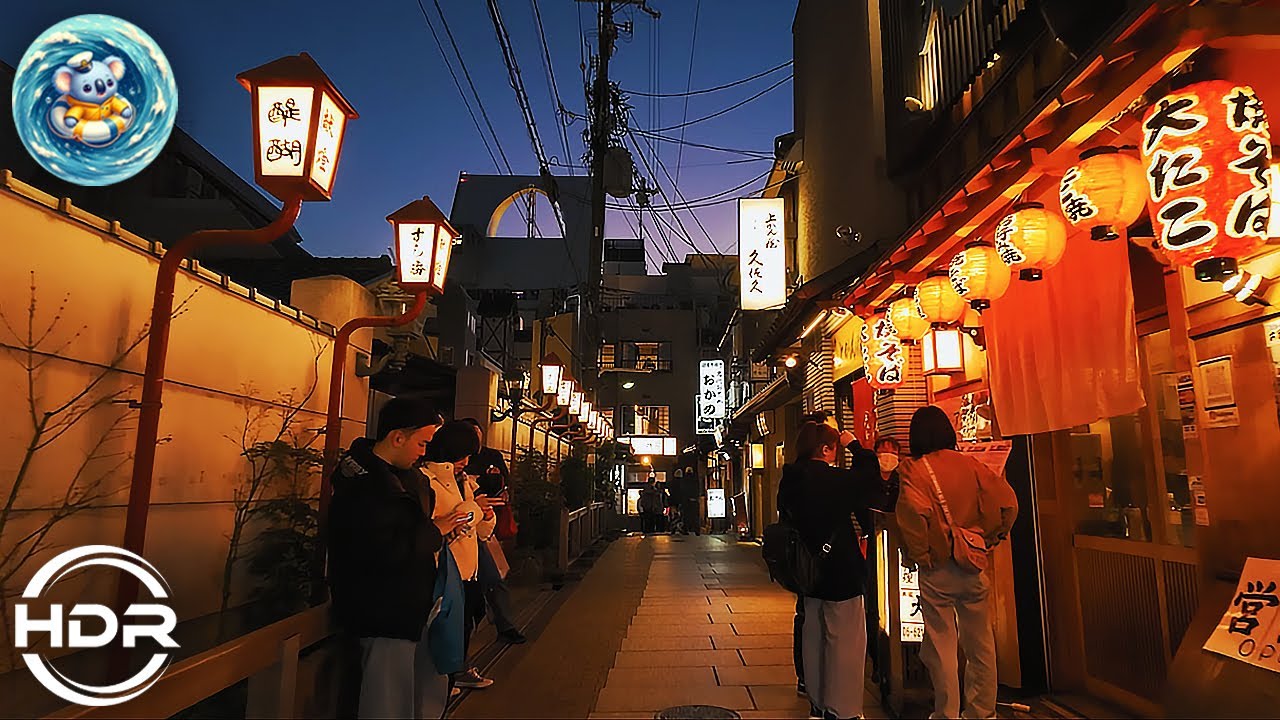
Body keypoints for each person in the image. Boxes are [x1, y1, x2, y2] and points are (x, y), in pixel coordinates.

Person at [326, 398, 470, 720]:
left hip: (409, 609)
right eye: (422, 443)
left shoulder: (402, 479)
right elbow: (382, 550)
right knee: (386, 701)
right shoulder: (366, 486)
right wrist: (436, 532)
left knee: (410, 695)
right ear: (397, 437)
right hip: (382, 614)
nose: (424, 452)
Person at [896, 406, 1019, 720]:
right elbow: (1007, 502)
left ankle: (947, 712)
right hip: (973, 561)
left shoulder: (915, 470)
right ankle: (982, 712)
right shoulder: (971, 464)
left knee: (941, 645)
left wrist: (921, 556)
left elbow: (913, 514)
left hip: (939, 567)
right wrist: (990, 538)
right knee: (981, 645)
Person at [777, 421, 883, 720]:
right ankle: (843, 709)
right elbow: (871, 482)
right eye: (834, 448)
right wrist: (856, 446)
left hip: (806, 570)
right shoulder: (833, 479)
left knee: (814, 633)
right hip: (840, 570)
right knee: (845, 639)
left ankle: (818, 702)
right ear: (825, 449)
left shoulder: (790, 480)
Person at [420, 421, 494, 691]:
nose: (465, 462)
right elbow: (456, 519)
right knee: (445, 629)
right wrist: (474, 509)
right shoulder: (429, 483)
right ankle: (443, 681)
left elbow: (480, 531)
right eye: (462, 454)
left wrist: (486, 514)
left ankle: (455, 672)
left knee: (467, 621)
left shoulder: (463, 483)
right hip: (446, 570)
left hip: (468, 569)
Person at [459, 419, 526, 645]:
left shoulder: (491, 456)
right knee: (469, 590)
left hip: (485, 524)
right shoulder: (447, 468)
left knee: (494, 578)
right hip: (460, 535)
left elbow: (504, 484)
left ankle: (505, 625)